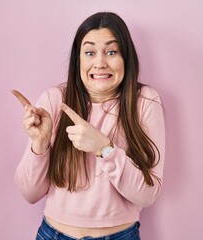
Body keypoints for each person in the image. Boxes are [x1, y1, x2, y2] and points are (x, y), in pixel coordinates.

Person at [12, 12, 165, 240]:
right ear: (79, 60)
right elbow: (30, 194)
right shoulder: (54, 101)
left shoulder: (145, 102)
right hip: (53, 234)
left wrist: (104, 148)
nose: (100, 63)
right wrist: (40, 143)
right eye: (90, 52)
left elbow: (148, 195)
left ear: (126, 58)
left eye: (112, 52)